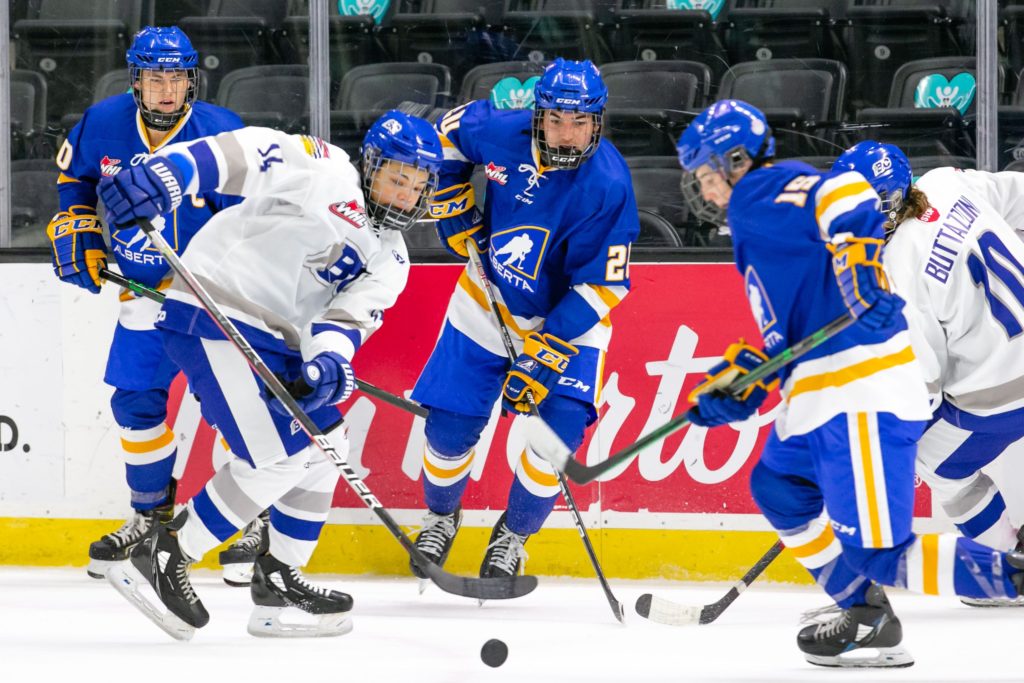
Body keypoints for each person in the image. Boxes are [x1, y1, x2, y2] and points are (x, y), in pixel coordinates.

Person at [675, 100, 1024, 668]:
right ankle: (865, 612)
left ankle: (1005, 571)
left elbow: (843, 199)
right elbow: (796, 322)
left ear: (738, 162)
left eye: (709, 173)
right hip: (831, 389)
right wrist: (743, 379)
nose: (703, 188)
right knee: (778, 487)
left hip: (878, 389)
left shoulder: (782, 200)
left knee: (885, 542)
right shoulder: (941, 184)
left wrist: (861, 255)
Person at [96, 112, 443, 638]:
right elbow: (245, 153)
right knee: (280, 460)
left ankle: (278, 578)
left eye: (417, 187)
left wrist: (329, 363)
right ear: (372, 168)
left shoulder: (393, 258)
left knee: (329, 442)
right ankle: (167, 552)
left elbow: (343, 322)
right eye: (398, 179)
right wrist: (171, 174)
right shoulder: (328, 170)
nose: (405, 196)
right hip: (214, 311)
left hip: (275, 342)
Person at [45, 26, 264, 584]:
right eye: (155, 78)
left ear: (193, 79)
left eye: (177, 78)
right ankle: (151, 517)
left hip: (215, 300)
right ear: (136, 79)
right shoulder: (104, 122)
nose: (167, 91)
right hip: (142, 294)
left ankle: (252, 521)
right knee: (135, 404)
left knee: (236, 412)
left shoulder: (223, 133)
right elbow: (75, 177)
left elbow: (259, 219)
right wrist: (79, 223)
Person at [409, 58, 639, 581]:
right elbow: (442, 137)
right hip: (486, 302)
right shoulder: (498, 128)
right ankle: (442, 517)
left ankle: (513, 535)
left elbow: (604, 284)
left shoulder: (608, 184)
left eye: (580, 121)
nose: (567, 133)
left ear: (597, 121)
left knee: (552, 442)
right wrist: (450, 199)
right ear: (537, 115)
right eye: (556, 119)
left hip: (567, 320)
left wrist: (545, 351)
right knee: (450, 428)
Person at [834, 141, 1024, 606]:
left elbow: (923, 392)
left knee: (936, 464)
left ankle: (1008, 570)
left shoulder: (895, 269)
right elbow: (1016, 193)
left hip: (1006, 390)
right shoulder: (946, 182)